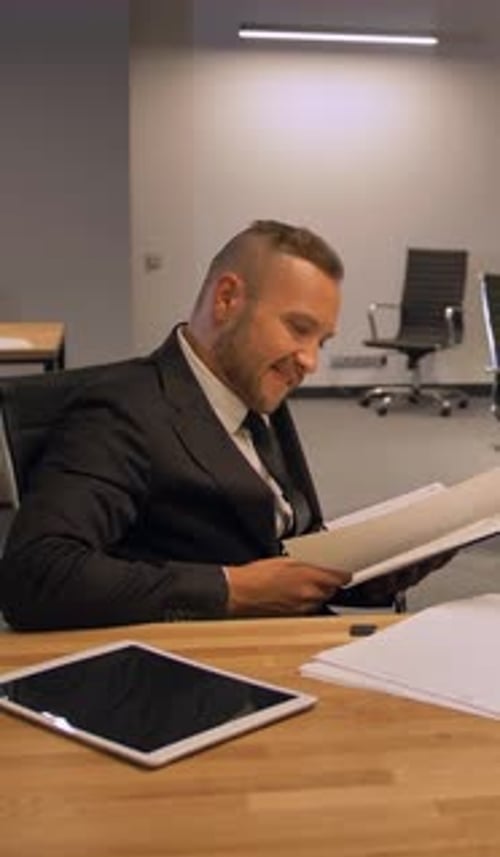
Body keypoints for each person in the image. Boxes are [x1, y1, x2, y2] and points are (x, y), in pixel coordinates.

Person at [0, 220, 443, 630]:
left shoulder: (256, 390)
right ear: (227, 300)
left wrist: (387, 561)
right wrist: (232, 589)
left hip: (297, 640)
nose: (310, 361)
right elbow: (36, 573)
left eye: (320, 342)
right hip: (208, 670)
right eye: (297, 328)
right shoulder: (123, 410)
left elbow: (283, 547)